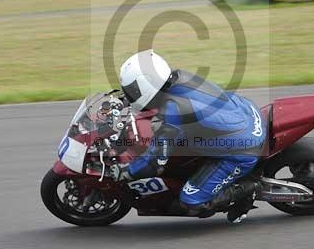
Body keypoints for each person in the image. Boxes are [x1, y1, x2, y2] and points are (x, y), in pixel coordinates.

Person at [106, 50, 265, 223]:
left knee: (190, 201)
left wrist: (127, 172)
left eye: (131, 90)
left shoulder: (174, 114)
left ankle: (250, 188)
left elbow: (154, 163)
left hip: (243, 148)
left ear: (145, 86)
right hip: (245, 112)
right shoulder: (178, 77)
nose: (130, 93)